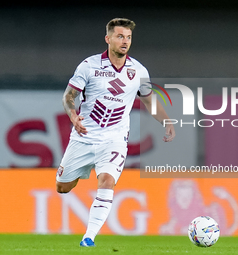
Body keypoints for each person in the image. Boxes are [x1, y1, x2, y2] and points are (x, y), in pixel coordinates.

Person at [56, 17, 175, 247]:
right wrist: (73, 116)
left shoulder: (138, 70)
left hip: (114, 138)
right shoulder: (89, 66)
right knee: (63, 187)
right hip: (84, 136)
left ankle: (88, 237)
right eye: (120, 36)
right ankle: (82, 170)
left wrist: (167, 121)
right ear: (107, 38)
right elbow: (69, 96)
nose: (125, 41)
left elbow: (150, 102)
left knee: (107, 181)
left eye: (129, 37)